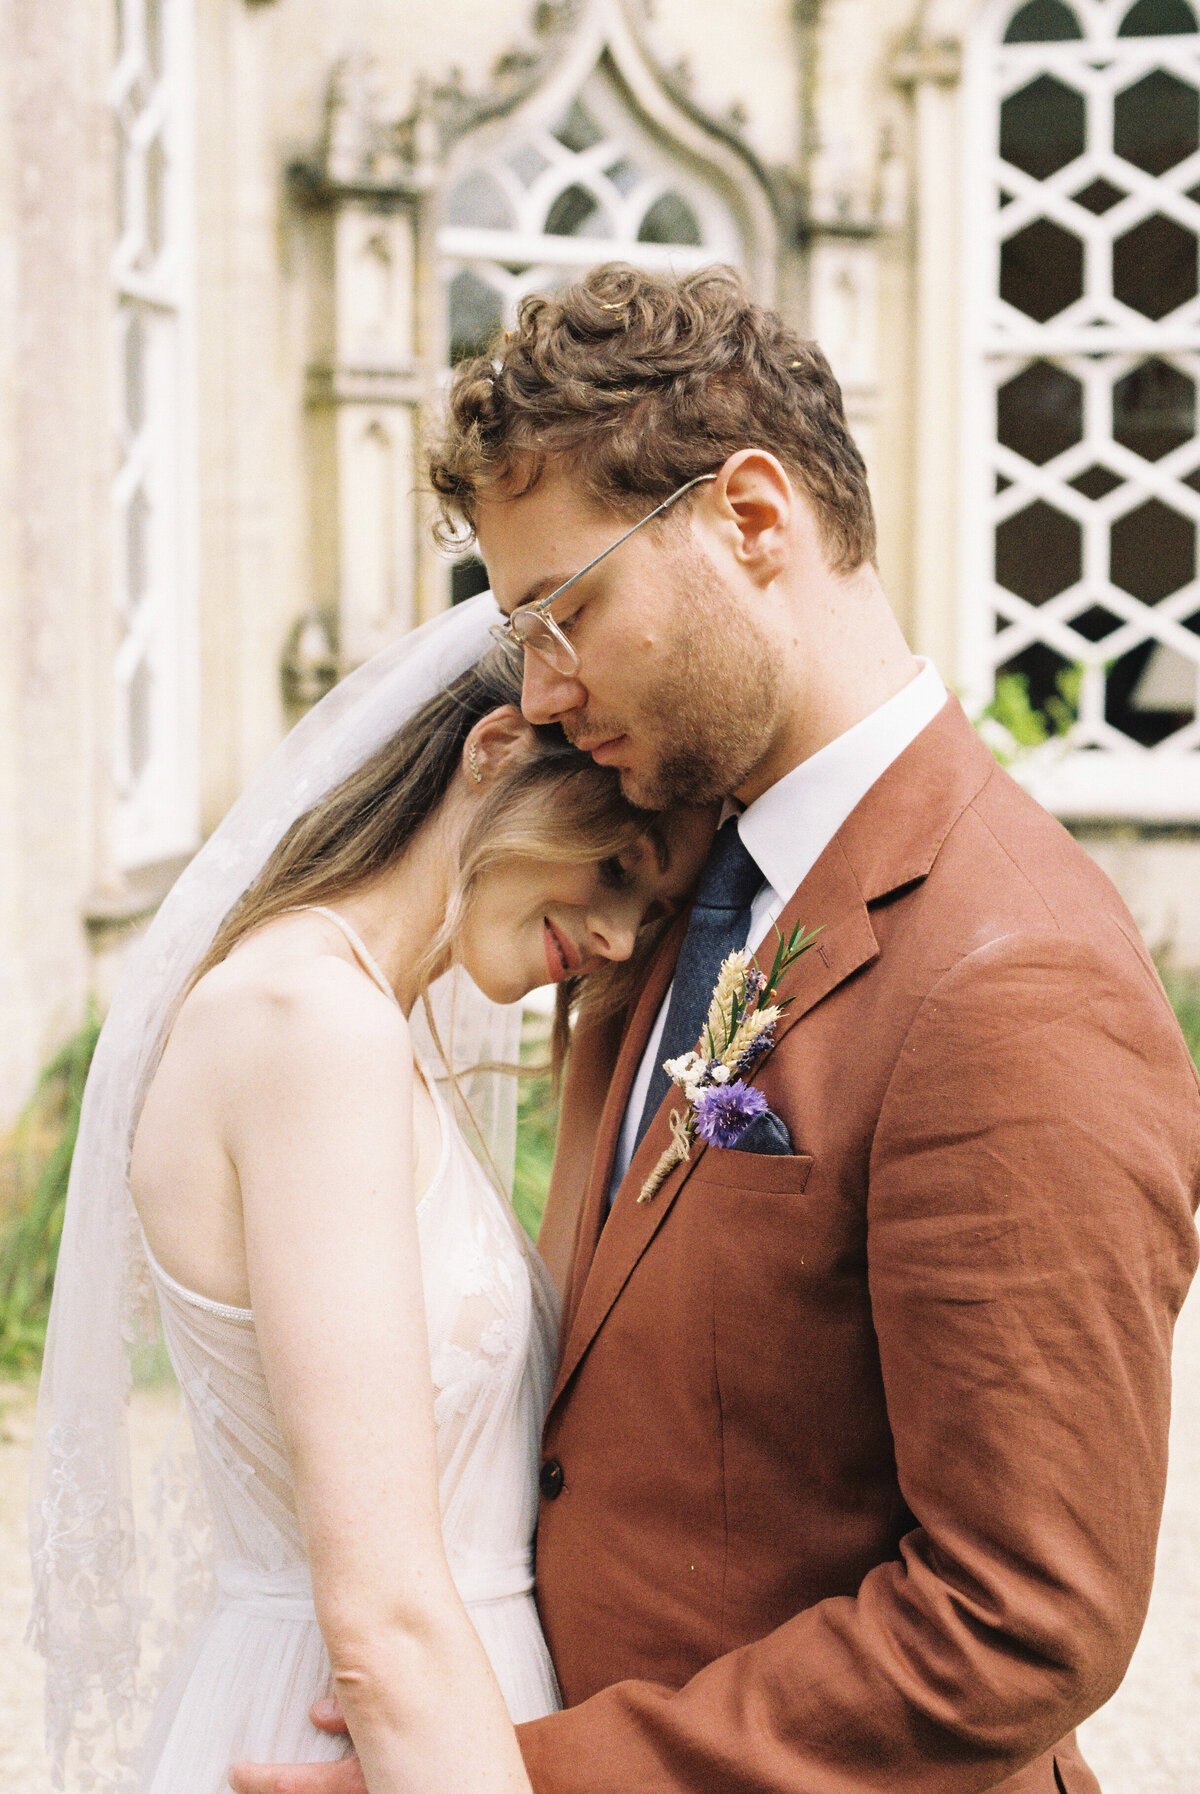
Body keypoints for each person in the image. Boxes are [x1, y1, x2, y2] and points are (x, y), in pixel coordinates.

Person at [232, 264, 1200, 1794]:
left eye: (569, 610)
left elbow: (1019, 1622)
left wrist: (521, 1774)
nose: (540, 690)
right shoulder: (669, 874)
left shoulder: (1018, 975)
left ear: (752, 520)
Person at [28, 613, 705, 1794]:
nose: (613, 935)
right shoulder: (310, 1027)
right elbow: (385, 1619)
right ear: (494, 752)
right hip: (369, 1739)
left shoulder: (361, 1019)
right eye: (612, 870)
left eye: (644, 912)